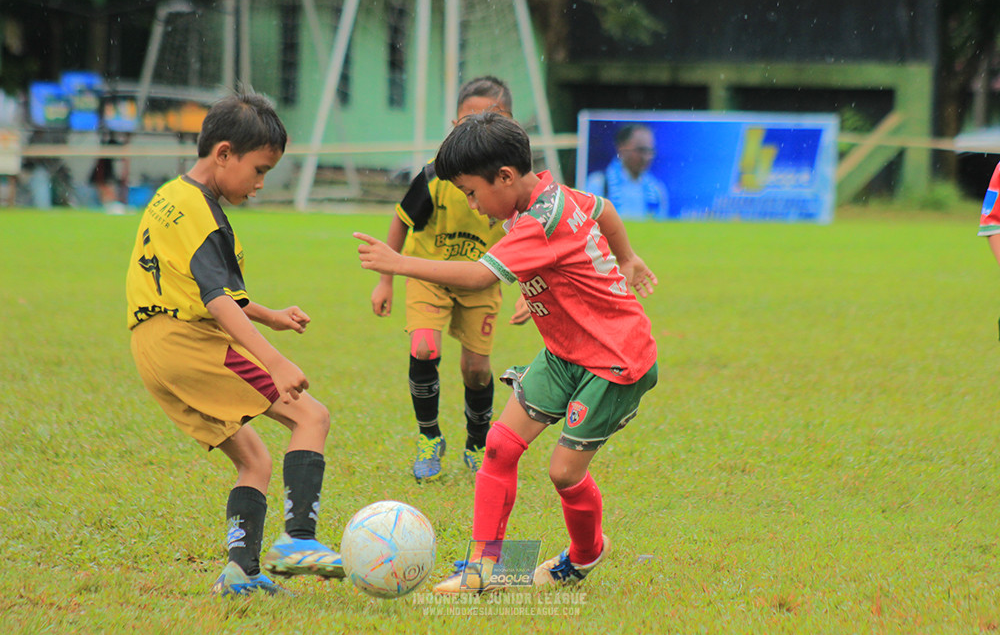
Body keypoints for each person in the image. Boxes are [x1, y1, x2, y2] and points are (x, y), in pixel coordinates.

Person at [355, 112, 659, 594]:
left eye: (473, 193)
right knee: (499, 446)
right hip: (565, 353)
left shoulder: (540, 220)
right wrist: (624, 257)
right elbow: (603, 209)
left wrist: (399, 263)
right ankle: (482, 567)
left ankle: (585, 555)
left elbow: (480, 275)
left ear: (505, 177)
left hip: (615, 358)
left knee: (563, 472)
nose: (473, 206)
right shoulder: (548, 194)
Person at [125, 90, 344, 597]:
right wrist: (276, 359)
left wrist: (272, 316)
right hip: (189, 342)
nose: (261, 184)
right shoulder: (203, 216)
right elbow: (218, 302)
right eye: (259, 169)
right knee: (311, 416)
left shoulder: (172, 198)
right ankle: (298, 541)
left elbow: (209, 291)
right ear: (223, 153)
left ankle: (239, 573)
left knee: (254, 460)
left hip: (153, 348)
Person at [369, 76, 529, 482]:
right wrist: (386, 280)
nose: (475, 128)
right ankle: (429, 437)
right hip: (428, 276)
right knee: (424, 348)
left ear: (507, 122)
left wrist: (529, 289)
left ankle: (477, 442)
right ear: (454, 124)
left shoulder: (510, 183)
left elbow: (531, 240)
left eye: (488, 118)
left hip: (481, 282)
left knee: (476, 369)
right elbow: (401, 221)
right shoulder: (434, 177)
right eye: (466, 121)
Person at [586, 123, 669, 219]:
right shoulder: (599, 184)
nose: (646, 157)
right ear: (621, 148)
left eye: (650, 151)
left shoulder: (657, 190)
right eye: (640, 150)